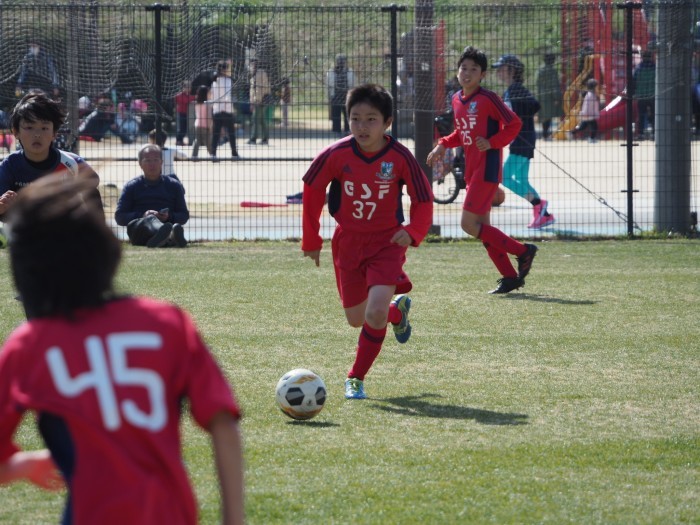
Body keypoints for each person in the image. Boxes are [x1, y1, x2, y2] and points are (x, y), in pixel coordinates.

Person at [0, 175, 244, 525]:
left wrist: (23, 464)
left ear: (25, 268)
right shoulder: (166, 323)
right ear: (105, 251)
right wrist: (234, 519)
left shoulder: (30, 345)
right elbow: (223, 422)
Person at [302, 83, 433, 400]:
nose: (362, 126)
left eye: (371, 119)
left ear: (387, 122)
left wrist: (414, 231)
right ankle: (396, 313)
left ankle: (355, 378)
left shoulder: (400, 157)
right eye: (356, 118)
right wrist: (311, 238)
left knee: (373, 314)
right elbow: (312, 190)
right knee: (356, 318)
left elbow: (423, 200)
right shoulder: (336, 154)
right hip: (348, 243)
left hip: (387, 243)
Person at [426, 46, 538, 295]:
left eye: (473, 69)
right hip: (472, 169)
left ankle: (523, 251)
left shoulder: (488, 99)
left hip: (487, 169)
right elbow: (461, 134)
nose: (466, 73)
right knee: (485, 229)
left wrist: (493, 142)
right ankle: (510, 277)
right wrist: (442, 145)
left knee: (467, 224)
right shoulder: (456, 99)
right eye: (463, 68)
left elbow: (514, 123)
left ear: (482, 75)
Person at [0, 91, 102, 220]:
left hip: (62, 232)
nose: (37, 134)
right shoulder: (9, 165)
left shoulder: (71, 163)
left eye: (44, 128)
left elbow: (93, 183)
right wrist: (3, 207)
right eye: (29, 127)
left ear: (54, 133)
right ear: (16, 132)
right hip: (24, 233)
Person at [492, 54, 555, 230]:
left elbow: (534, 104)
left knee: (504, 177)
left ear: (511, 70)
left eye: (501, 68)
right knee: (521, 179)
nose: (498, 72)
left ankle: (538, 203)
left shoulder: (516, 90)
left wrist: (517, 119)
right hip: (523, 139)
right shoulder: (514, 90)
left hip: (522, 140)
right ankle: (544, 215)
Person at [115, 144, 189, 248]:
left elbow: (184, 215)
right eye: (148, 160)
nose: (152, 164)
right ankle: (169, 237)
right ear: (140, 164)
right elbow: (119, 217)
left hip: (166, 224)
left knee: (167, 225)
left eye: (155, 160)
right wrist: (143, 215)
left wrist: (169, 217)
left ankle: (164, 238)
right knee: (150, 219)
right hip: (139, 230)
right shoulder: (131, 186)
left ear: (161, 162)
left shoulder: (174, 185)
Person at [209, 59, 239, 160]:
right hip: (227, 110)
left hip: (217, 110)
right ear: (224, 70)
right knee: (231, 133)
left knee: (216, 134)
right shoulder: (228, 81)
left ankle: (213, 154)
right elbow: (228, 95)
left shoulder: (214, 82)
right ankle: (234, 153)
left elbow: (212, 96)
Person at [326, 54, 356, 134]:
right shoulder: (331, 71)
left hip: (347, 96)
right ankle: (336, 130)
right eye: (339, 60)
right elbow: (328, 85)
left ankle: (347, 129)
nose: (341, 62)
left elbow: (352, 84)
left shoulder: (350, 71)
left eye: (342, 60)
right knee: (336, 114)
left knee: (347, 114)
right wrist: (329, 97)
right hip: (335, 96)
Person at [536, 52, 563, 140]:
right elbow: (554, 84)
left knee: (544, 116)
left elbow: (538, 84)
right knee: (549, 116)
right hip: (550, 97)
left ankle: (545, 134)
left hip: (541, 96)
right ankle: (546, 135)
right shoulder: (552, 71)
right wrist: (556, 97)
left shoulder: (540, 70)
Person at [633, 50, 656, 140]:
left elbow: (633, 81)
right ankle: (654, 134)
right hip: (653, 95)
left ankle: (640, 134)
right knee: (654, 115)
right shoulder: (655, 68)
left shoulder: (638, 68)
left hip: (641, 95)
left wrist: (634, 93)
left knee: (641, 115)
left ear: (642, 57)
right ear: (651, 57)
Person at [248, 59, 271, 145]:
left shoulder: (260, 73)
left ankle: (253, 138)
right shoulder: (253, 75)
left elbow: (261, 88)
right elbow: (252, 90)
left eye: (252, 65)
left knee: (255, 119)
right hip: (257, 100)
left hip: (260, 100)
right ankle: (265, 138)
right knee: (261, 120)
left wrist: (257, 101)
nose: (251, 67)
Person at [574, 78, 600, 143]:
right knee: (594, 126)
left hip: (589, 114)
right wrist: (585, 113)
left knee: (583, 126)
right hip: (589, 114)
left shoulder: (591, 94)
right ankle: (591, 138)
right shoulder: (590, 95)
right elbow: (587, 105)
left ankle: (572, 132)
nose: (597, 88)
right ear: (593, 87)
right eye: (596, 86)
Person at [191, 85, 211, 158]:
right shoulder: (207, 104)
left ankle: (194, 155)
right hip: (205, 125)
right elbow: (208, 116)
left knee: (197, 140)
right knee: (208, 141)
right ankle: (212, 155)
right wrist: (209, 126)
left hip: (197, 124)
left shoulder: (197, 103)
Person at [174, 81, 195, 146]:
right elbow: (186, 100)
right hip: (181, 113)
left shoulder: (188, 95)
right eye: (187, 87)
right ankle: (178, 141)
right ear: (183, 88)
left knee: (184, 128)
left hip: (187, 113)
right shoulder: (180, 95)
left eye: (190, 87)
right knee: (181, 128)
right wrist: (194, 97)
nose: (189, 88)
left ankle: (180, 140)